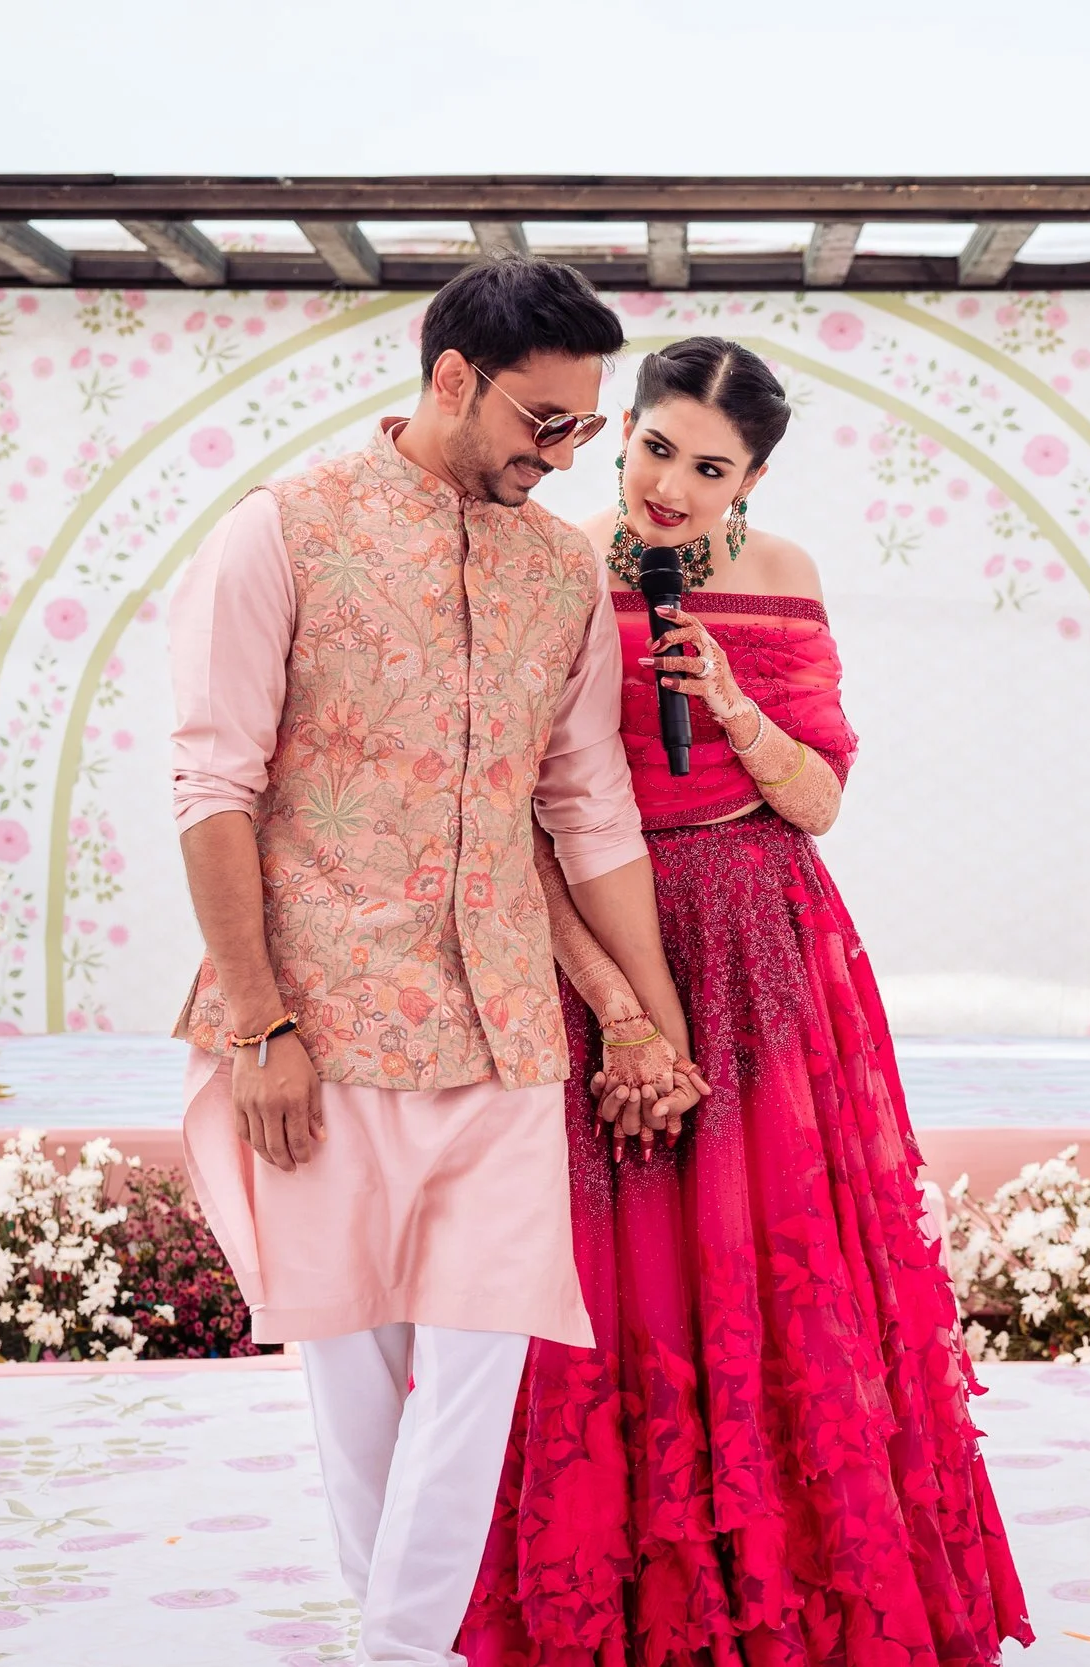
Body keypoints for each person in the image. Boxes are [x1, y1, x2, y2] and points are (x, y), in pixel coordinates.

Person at [458, 338, 1032, 1665]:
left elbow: (820, 800)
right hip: (597, 937)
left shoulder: (784, 582)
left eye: (709, 466)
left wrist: (725, 696)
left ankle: (799, 1582)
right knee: (609, 1266)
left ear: (753, 479)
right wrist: (614, 1004)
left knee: (775, 1261)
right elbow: (507, 814)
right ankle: (618, 1593)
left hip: (765, 947)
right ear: (623, 437)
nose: (672, 484)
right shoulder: (544, 560)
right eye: (657, 447)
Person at [169, 257, 705, 1667]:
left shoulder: (563, 570)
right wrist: (257, 1024)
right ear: (453, 378)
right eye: (544, 422)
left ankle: (401, 1649)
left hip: (507, 1027)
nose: (565, 455)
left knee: (479, 1365)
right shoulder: (280, 534)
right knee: (353, 1374)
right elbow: (213, 788)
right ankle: (402, 1643)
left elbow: (585, 802)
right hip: (322, 1023)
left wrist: (648, 1016)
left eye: (585, 429)